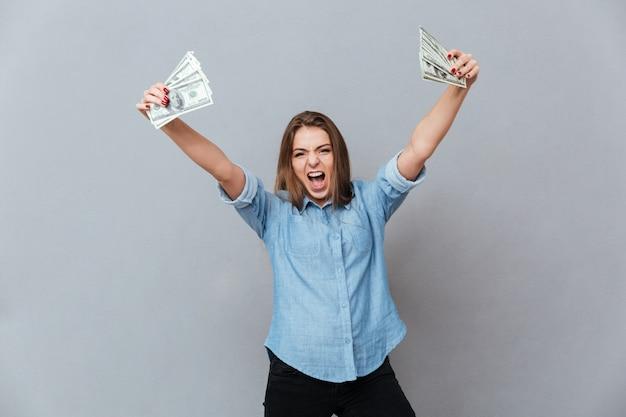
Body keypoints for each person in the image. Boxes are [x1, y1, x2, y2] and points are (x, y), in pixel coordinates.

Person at [136, 49, 479, 417]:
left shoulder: (371, 200)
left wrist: (459, 87)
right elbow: (222, 169)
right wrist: (167, 119)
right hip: (297, 372)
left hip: (369, 371)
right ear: (291, 164)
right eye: (300, 154)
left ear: (337, 156)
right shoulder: (272, 214)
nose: (313, 161)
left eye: (323, 150)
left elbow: (419, 148)